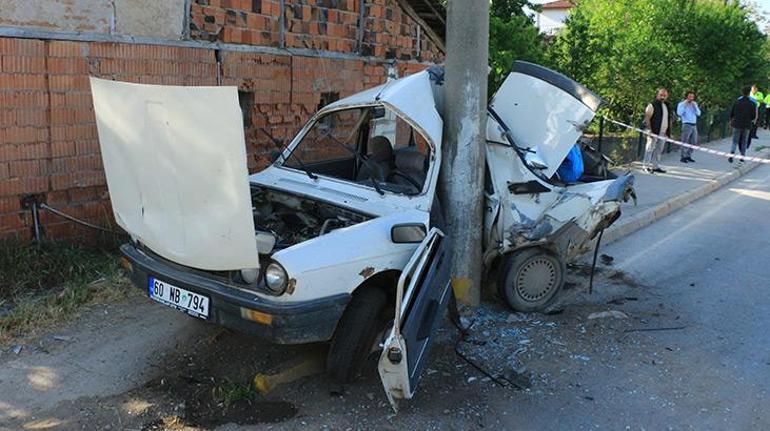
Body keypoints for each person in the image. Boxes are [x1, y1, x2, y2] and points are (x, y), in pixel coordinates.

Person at [643, 88, 673, 173]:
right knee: (649, 148)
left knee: (659, 150)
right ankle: (646, 166)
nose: (662, 97)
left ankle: (655, 166)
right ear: (657, 95)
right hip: (653, 131)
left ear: (667, 96)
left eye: (664, 95)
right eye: (661, 95)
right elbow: (647, 117)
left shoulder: (667, 105)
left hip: (663, 132)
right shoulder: (652, 105)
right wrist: (649, 130)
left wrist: (668, 132)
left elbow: (669, 119)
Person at [729, 86, 757, 164]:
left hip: (737, 124)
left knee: (735, 140)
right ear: (749, 93)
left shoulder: (737, 102)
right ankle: (742, 157)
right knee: (744, 141)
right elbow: (753, 116)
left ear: (742, 93)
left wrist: (731, 120)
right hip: (746, 125)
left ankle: (731, 154)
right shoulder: (752, 104)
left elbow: (732, 113)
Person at [676, 91, 701, 163]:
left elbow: (699, 114)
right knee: (685, 141)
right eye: (690, 97)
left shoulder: (694, 104)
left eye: (692, 97)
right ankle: (683, 157)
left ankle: (688, 155)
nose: (691, 98)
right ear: (686, 97)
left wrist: (695, 107)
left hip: (694, 125)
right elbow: (679, 113)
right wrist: (685, 105)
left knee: (694, 142)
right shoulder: (681, 104)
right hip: (686, 124)